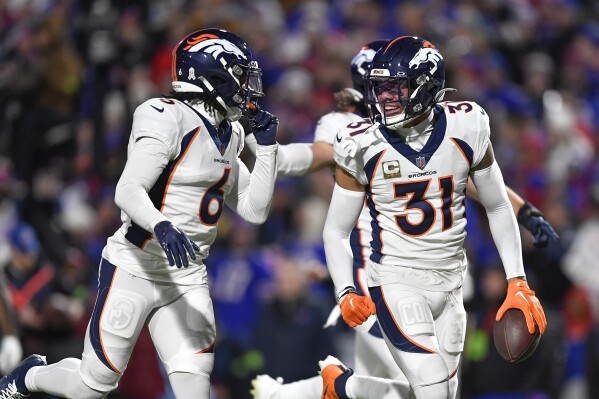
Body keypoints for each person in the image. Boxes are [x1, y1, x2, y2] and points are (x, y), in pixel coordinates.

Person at [250, 39, 558, 399]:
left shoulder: (468, 124)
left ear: (427, 84)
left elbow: (493, 201)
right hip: (396, 279)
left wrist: (517, 279)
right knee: (432, 390)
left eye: (396, 88)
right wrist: (345, 290)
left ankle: (343, 386)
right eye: (380, 89)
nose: (385, 99)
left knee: (434, 391)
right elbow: (335, 228)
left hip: (452, 281)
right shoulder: (359, 142)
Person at [0, 28, 279, 399]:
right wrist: (161, 225)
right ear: (211, 74)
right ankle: (29, 376)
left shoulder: (231, 134)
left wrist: (269, 149)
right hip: (136, 264)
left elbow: (254, 210)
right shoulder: (165, 115)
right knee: (91, 386)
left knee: (195, 390)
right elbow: (128, 189)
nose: (247, 87)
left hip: (187, 276)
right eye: (240, 76)